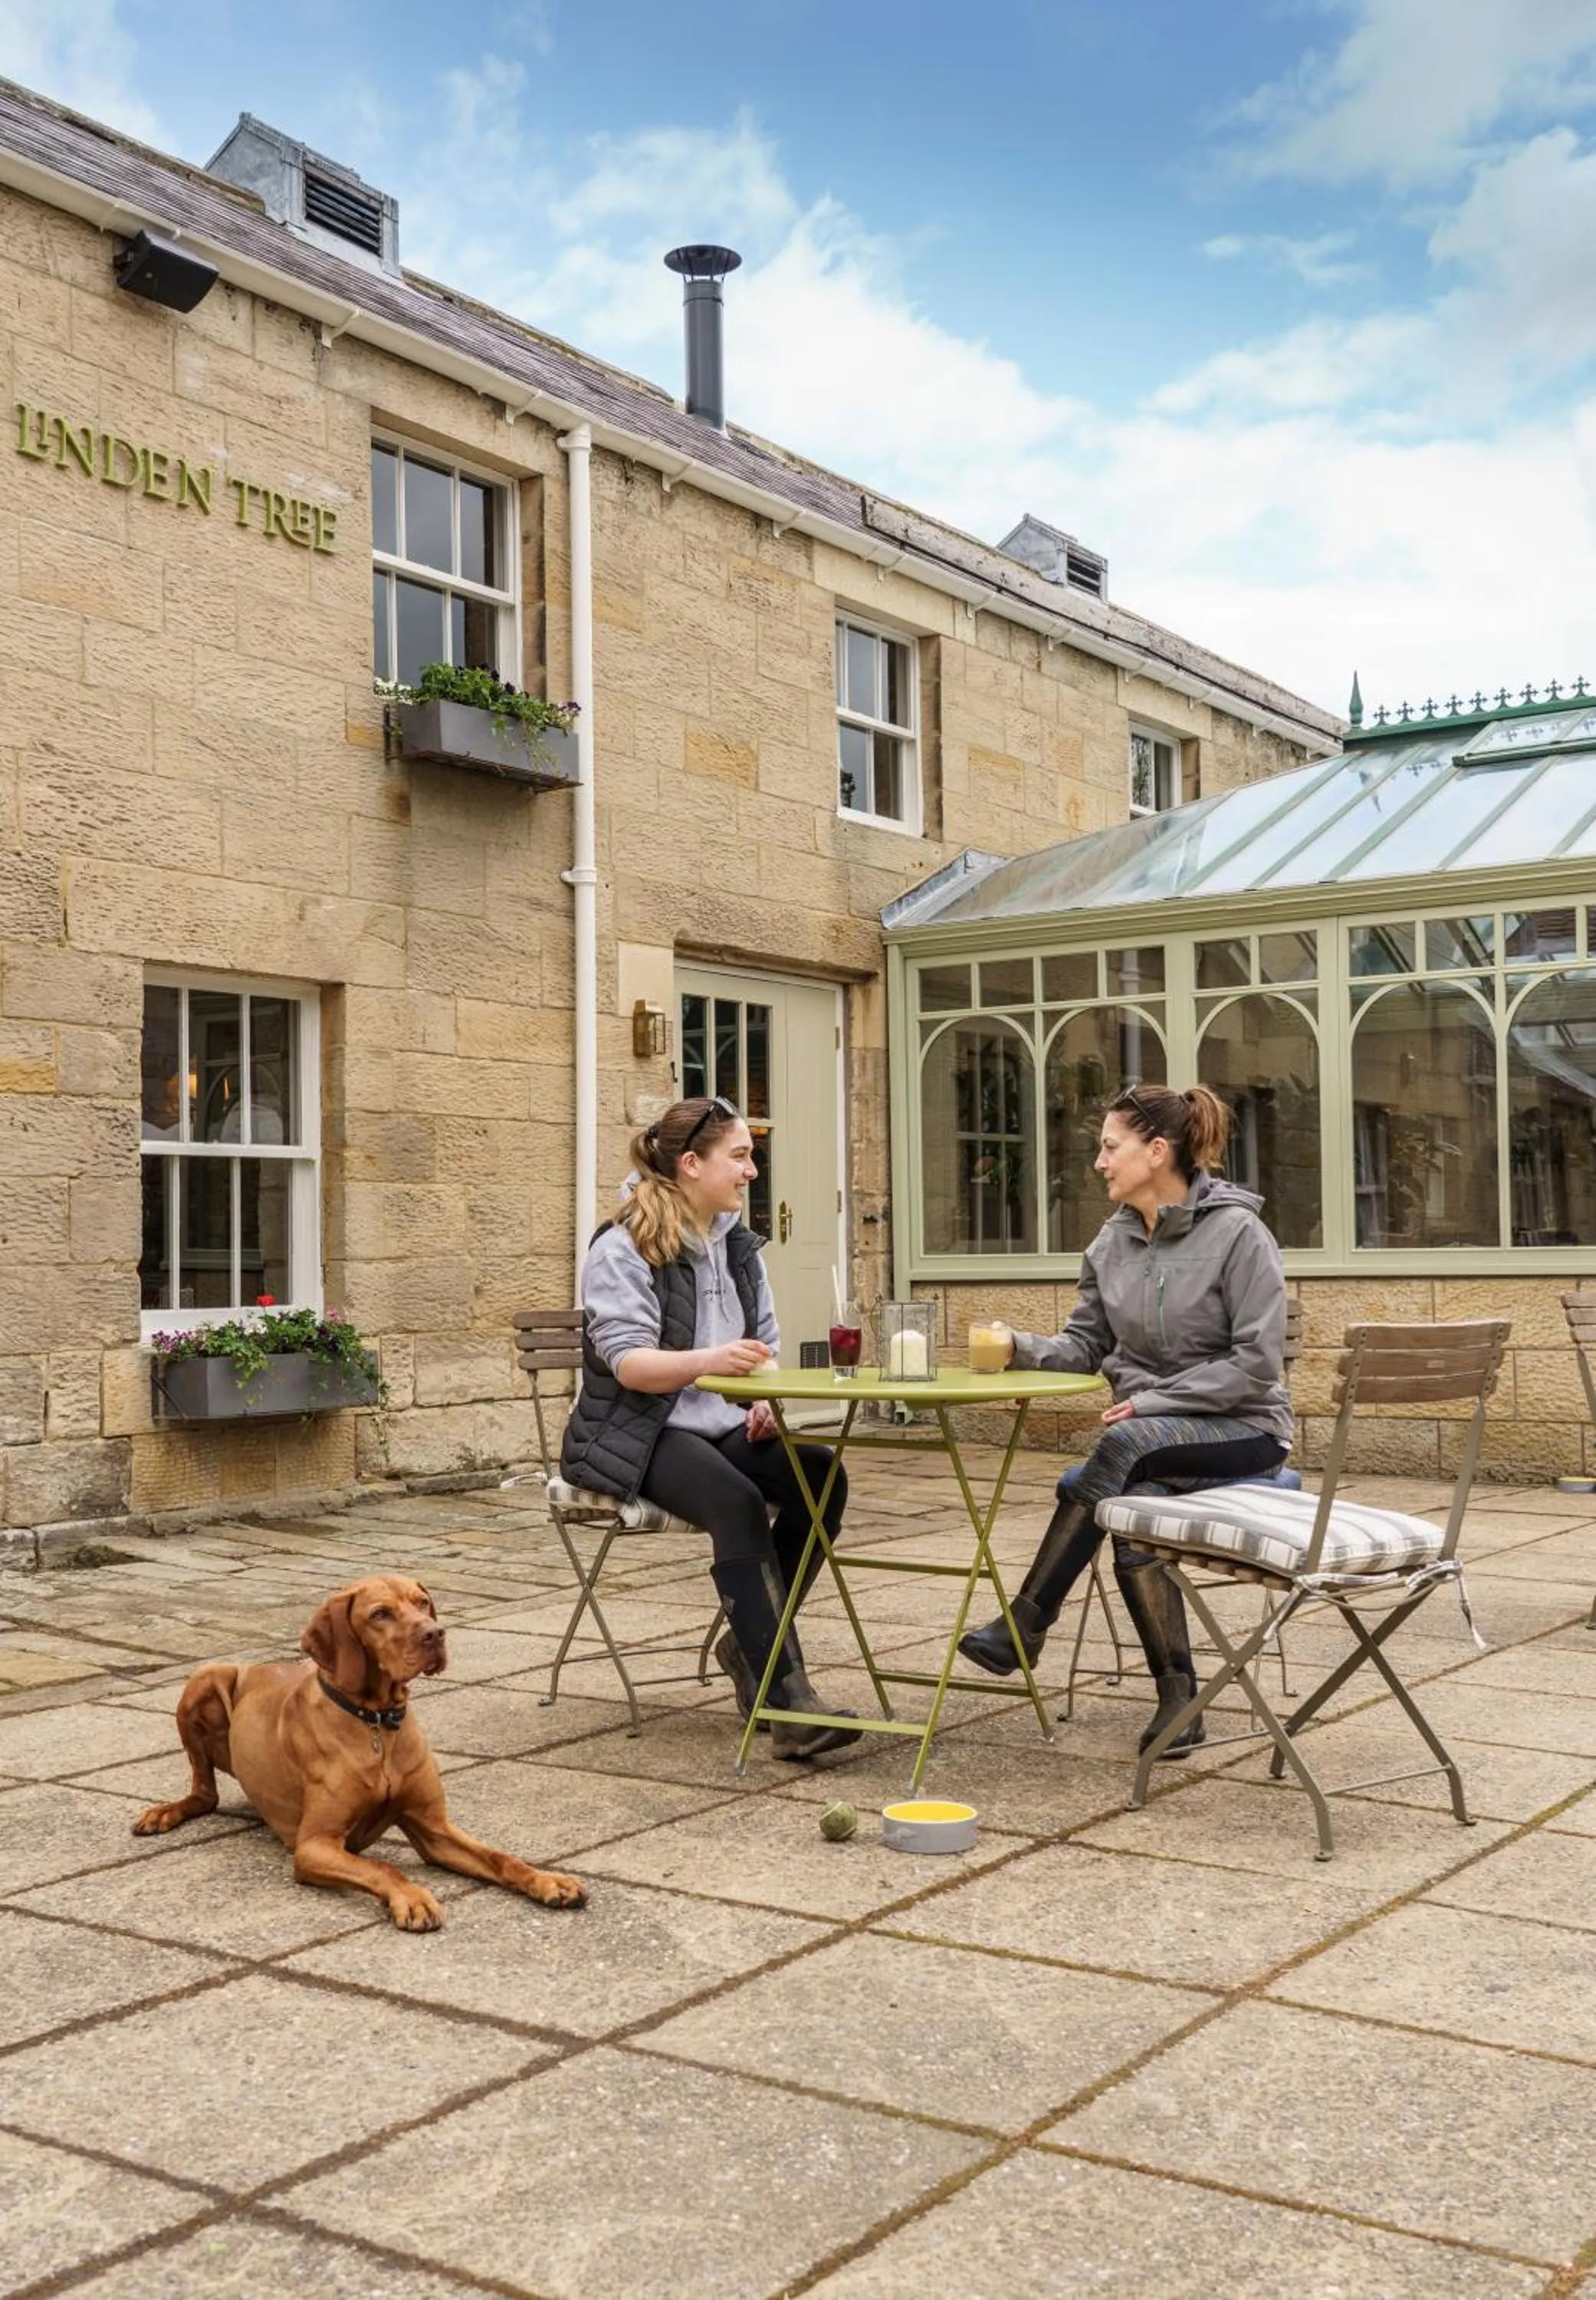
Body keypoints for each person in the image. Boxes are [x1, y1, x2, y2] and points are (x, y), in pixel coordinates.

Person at [957, 1084, 1292, 1758]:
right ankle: (1179, 1699)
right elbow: (1085, 1345)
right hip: (1146, 1452)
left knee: (1124, 1444)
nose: (1099, 1163)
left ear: (1158, 1151)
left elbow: (1257, 1365)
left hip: (1245, 1433)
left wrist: (1153, 1402)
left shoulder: (1238, 1234)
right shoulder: (1109, 1245)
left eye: (1111, 1147)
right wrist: (1017, 1345)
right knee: (1130, 1500)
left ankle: (1027, 1622)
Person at [562, 1093, 862, 1761]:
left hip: (719, 1421)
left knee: (820, 1477)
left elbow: (763, 1350)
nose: (753, 1170)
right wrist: (712, 1363)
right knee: (737, 1501)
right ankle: (784, 1698)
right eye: (742, 1156)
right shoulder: (624, 1246)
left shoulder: (740, 1249)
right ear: (692, 1164)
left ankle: (749, 1640)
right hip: (634, 1429)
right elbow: (632, 1366)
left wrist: (761, 1396)